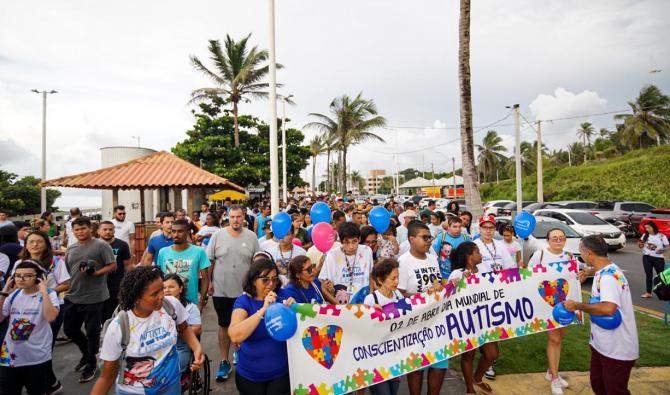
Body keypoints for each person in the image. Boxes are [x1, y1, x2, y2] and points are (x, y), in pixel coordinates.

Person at [92, 266, 205, 395]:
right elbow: (107, 377)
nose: (162, 295)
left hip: (171, 386)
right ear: (136, 298)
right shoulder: (119, 327)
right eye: (154, 294)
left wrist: (196, 348)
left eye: (161, 289)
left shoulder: (171, 305)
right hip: (134, 392)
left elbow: (184, 328)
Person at [563, 235, 638, 395]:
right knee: (598, 384)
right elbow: (603, 268)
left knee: (614, 390)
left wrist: (577, 306)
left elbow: (608, 309)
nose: (580, 255)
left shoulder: (608, 277)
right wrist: (589, 270)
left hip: (617, 349)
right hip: (602, 345)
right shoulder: (605, 269)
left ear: (589, 253)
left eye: (581, 252)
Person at [206, 205, 260, 382]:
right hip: (221, 290)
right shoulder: (217, 235)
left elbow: (256, 263)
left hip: (244, 293)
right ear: (227, 218)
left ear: (244, 217)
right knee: (224, 325)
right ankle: (224, 360)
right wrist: (210, 283)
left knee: (244, 325)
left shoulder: (251, 237)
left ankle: (240, 355)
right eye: (232, 217)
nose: (235, 220)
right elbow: (209, 262)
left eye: (238, 217)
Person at [228, 257, 295, 395]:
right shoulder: (244, 302)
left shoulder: (283, 296)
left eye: (274, 279)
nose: (271, 283)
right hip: (250, 376)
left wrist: (294, 310)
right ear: (253, 280)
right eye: (265, 279)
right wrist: (263, 310)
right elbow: (235, 335)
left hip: (281, 375)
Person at [62, 216, 117, 383]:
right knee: (70, 330)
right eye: (77, 229)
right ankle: (87, 354)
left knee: (93, 332)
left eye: (83, 228)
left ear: (90, 229)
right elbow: (67, 272)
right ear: (73, 231)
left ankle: (91, 364)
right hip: (72, 295)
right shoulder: (70, 249)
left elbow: (113, 265)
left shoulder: (101, 245)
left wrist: (96, 273)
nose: (80, 232)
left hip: (94, 296)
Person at [15, 231, 70, 393]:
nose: (35, 245)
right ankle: (52, 382)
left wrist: (45, 292)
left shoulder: (55, 262)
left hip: (51, 309)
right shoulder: (20, 263)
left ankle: (46, 385)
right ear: (25, 245)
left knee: (44, 349)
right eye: (31, 242)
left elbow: (66, 284)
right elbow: (14, 286)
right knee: (28, 348)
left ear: (46, 244)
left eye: (39, 241)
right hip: (24, 312)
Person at [397, 220, 446, 395]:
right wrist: (422, 297)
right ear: (411, 239)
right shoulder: (403, 262)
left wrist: (440, 288)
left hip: (436, 320)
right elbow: (399, 294)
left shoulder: (433, 259)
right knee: (416, 367)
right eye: (424, 237)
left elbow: (437, 283)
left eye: (430, 237)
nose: (429, 241)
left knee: (439, 365)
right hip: (415, 322)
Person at [526, 227, 575, 394]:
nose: (558, 240)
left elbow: (573, 279)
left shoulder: (569, 256)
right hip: (545, 304)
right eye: (554, 238)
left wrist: (581, 275)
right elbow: (527, 276)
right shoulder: (540, 255)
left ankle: (550, 371)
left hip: (565, 305)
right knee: (554, 339)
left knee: (560, 338)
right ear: (548, 240)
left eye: (561, 237)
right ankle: (555, 379)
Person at [0, 260, 60, 395]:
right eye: (18, 275)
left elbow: (50, 317)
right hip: (10, 357)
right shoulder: (13, 295)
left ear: (39, 278)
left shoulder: (49, 294)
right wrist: (4, 293)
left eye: (27, 275)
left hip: (37, 356)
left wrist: (44, 291)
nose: (21, 279)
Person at [448, 242, 498, 395]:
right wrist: (459, 283)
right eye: (477, 252)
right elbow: (449, 297)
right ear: (469, 256)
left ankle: (477, 377)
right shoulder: (457, 273)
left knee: (492, 353)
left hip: (486, 318)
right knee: (468, 355)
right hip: (467, 321)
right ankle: (470, 388)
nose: (480, 254)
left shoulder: (485, 268)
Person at [362, 258, 402, 395]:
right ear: (380, 280)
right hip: (376, 360)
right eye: (393, 278)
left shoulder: (398, 296)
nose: (397, 281)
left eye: (398, 277)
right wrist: (371, 313)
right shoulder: (371, 299)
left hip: (395, 356)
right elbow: (363, 328)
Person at [157, 219, 211, 310]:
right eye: (173, 231)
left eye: (180, 231)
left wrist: (201, 303)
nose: (176, 235)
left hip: (191, 303)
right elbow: (159, 279)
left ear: (187, 232)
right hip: (167, 304)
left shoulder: (199, 252)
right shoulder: (163, 252)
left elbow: (205, 279)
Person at [318, 222, 374, 304]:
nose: (351, 246)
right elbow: (324, 288)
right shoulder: (332, 255)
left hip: (364, 304)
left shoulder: (367, 251)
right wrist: (341, 307)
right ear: (341, 241)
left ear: (359, 239)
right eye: (346, 242)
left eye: (354, 241)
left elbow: (370, 276)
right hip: (341, 305)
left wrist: (371, 297)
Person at [163, 274, 203, 374]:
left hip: (182, 345)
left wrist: (177, 332)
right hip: (164, 345)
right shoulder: (158, 308)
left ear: (180, 289)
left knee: (174, 370)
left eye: (171, 287)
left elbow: (197, 328)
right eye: (164, 288)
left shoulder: (191, 307)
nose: (167, 290)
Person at [99, 221, 133, 321]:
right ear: (98, 231)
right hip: (97, 286)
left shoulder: (122, 245)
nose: (108, 232)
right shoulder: (94, 245)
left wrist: (128, 284)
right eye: (104, 229)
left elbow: (127, 265)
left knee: (114, 315)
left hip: (116, 285)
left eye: (110, 229)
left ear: (114, 231)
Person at [431, 216, 470, 281]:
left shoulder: (466, 238)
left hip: (461, 275)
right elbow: (434, 254)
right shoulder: (441, 237)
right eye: (454, 226)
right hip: (445, 275)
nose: (458, 229)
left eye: (460, 227)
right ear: (448, 227)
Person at [638, 222, 668, 298]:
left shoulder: (661, 236)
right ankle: (648, 293)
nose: (647, 229)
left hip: (658, 258)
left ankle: (665, 292)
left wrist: (662, 250)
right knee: (648, 275)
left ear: (653, 227)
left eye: (648, 227)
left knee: (661, 276)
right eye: (646, 228)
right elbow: (640, 246)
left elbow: (668, 246)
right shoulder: (645, 235)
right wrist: (640, 244)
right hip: (646, 257)